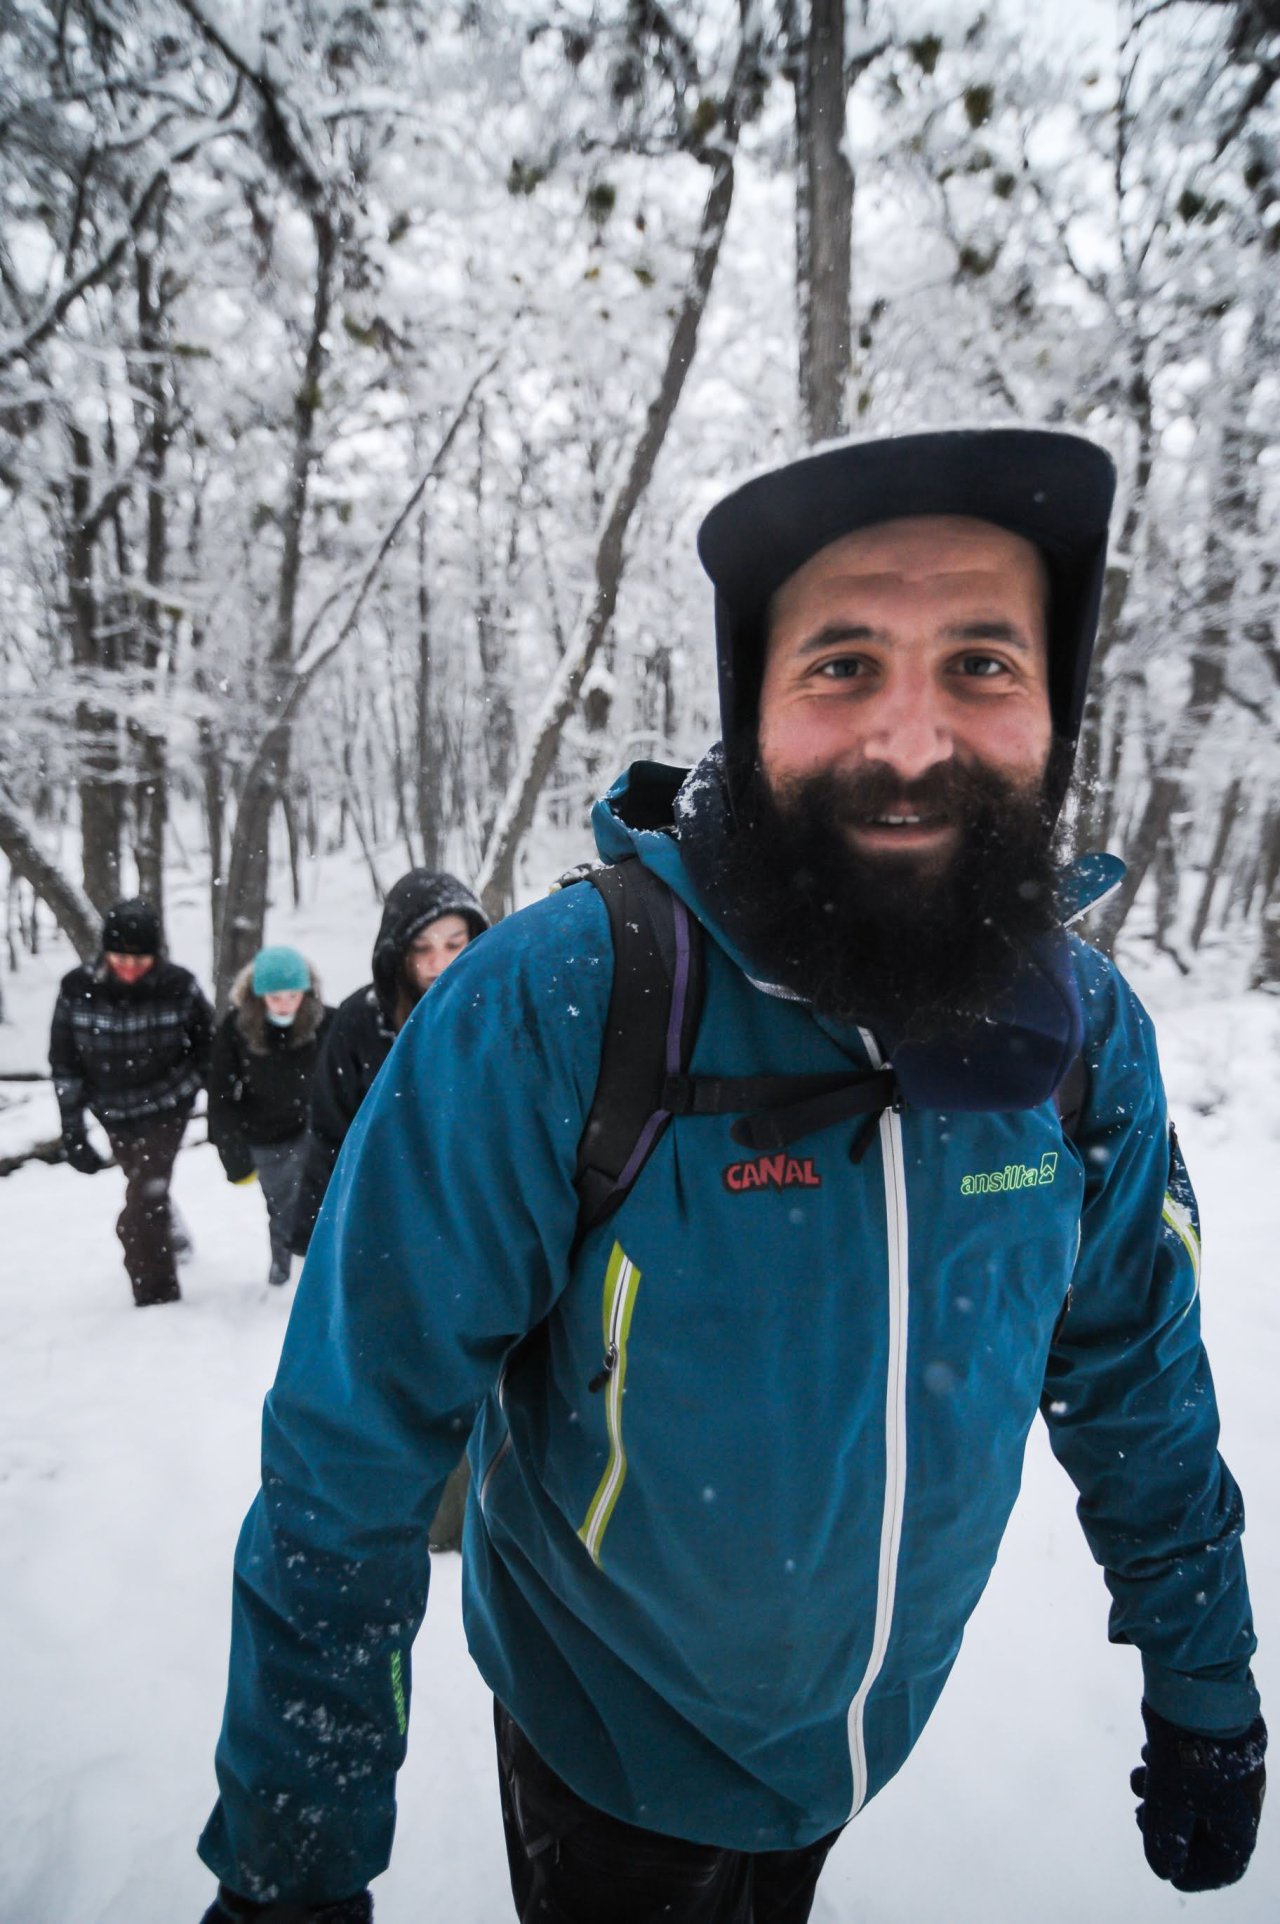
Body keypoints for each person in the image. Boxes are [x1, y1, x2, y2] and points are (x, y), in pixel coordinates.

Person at [197, 429, 1264, 1924]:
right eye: (841, 664)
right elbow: (351, 1451)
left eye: (980, 663)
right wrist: (294, 1870)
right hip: (605, 1755)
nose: (912, 739)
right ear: (749, 703)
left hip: (865, 1747)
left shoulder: (1085, 1036)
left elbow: (1136, 1370)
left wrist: (1204, 1679)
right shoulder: (558, 1001)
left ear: (1054, 711)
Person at [287, 869, 489, 1258]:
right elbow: (331, 1131)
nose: (439, 963)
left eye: (454, 944)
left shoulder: (498, 1012)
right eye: (422, 948)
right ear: (398, 952)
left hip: (477, 1219)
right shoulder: (359, 1021)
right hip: (389, 1221)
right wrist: (313, 1231)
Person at [50, 896, 213, 1308]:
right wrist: (72, 1130)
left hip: (167, 1105)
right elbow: (65, 1062)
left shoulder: (179, 985)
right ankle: (173, 1234)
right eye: (120, 958)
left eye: (139, 960)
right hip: (111, 1111)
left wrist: (222, 1109)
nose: (129, 968)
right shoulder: (77, 988)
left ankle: (157, 1297)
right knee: (144, 1187)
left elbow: (209, 1049)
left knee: (141, 1206)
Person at [208, 947, 334, 1290]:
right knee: (283, 1209)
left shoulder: (326, 1022)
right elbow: (220, 1095)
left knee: (326, 1203)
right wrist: (234, 1157)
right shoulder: (237, 1028)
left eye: (293, 995)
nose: (284, 1004)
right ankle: (283, 1276)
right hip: (266, 1135)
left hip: (317, 1129)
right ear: (258, 995)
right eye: (275, 997)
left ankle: (324, 1274)